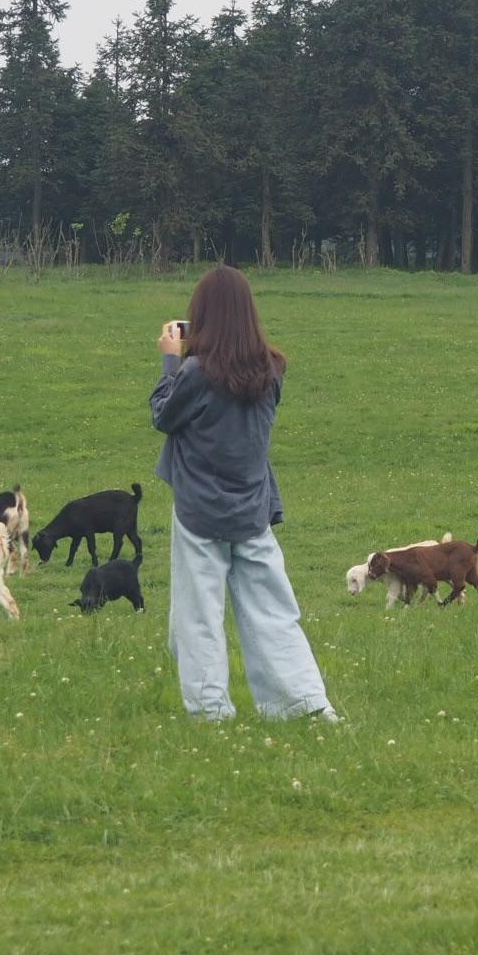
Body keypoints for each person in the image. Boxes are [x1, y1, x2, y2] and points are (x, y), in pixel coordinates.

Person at [150, 265, 339, 722]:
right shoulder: (272, 369)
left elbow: (164, 415)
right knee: (273, 612)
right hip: (253, 506)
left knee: (199, 616)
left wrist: (171, 359)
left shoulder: (195, 372)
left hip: (199, 509)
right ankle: (304, 704)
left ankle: (211, 711)